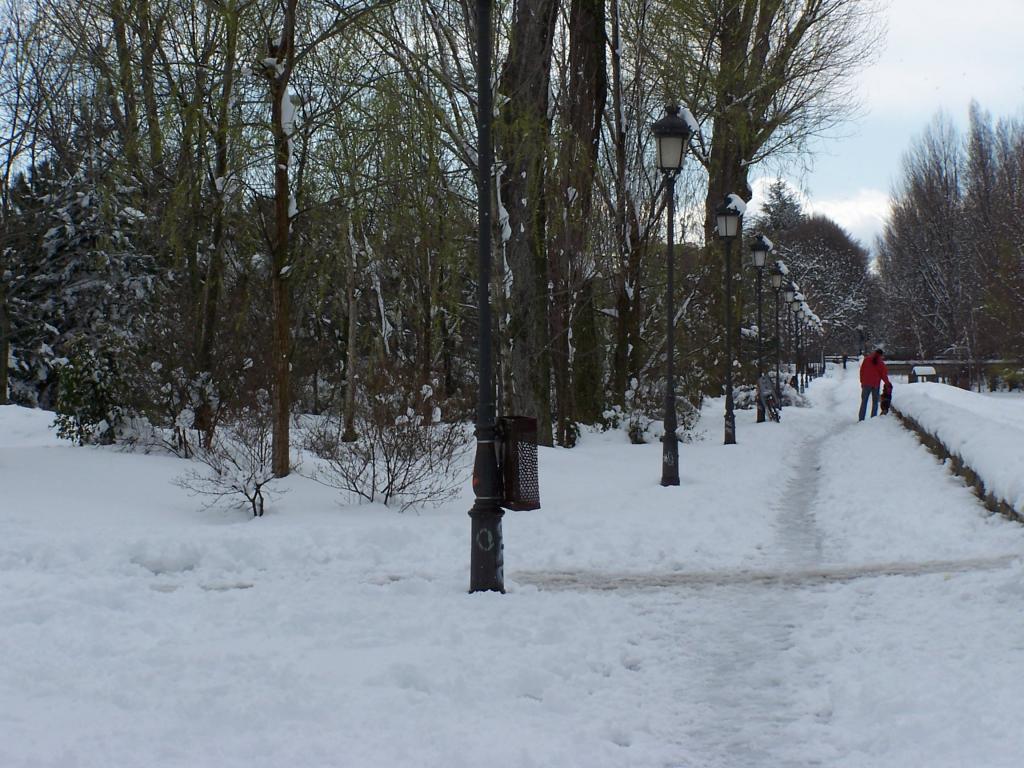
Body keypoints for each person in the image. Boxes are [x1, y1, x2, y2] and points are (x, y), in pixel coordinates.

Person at [859, 347, 891, 420]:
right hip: (875, 384)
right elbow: (884, 375)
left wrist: (862, 381)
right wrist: (888, 383)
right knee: (875, 402)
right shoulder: (881, 363)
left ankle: (861, 418)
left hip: (866, 384)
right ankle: (873, 418)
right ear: (881, 355)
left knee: (864, 402)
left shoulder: (866, 359)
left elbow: (862, 371)